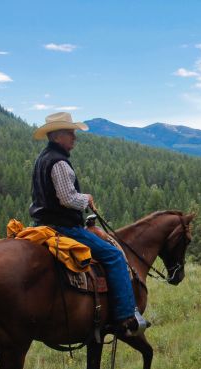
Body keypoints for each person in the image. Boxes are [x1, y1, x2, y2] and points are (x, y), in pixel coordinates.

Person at [29, 112, 147, 336]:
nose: (74, 137)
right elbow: (67, 199)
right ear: (56, 136)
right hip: (63, 227)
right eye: (70, 133)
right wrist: (87, 198)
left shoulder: (42, 159)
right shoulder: (59, 162)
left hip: (41, 224)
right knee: (113, 256)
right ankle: (125, 316)